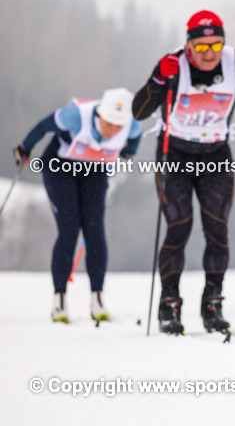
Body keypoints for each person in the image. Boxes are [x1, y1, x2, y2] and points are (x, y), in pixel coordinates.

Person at [132, 10, 235, 334]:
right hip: (174, 155)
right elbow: (139, 111)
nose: (209, 54)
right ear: (188, 45)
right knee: (179, 227)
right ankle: (169, 305)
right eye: (201, 47)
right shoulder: (173, 64)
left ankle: (212, 305)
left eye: (216, 45)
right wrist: (158, 79)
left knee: (217, 230)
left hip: (215, 156)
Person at [14, 88, 142, 322]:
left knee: (95, 230)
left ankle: (97, 297)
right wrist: (24, 149)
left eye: (118, 126)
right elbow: (43, 126)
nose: (112, 130)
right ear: (99, 114)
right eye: (108, 123)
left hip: (94, 169)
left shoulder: (132, 124)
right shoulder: (76, 116)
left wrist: (126, 154)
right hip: (59, 166)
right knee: (69, 227)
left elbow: (132, 144)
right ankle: (59, 299)